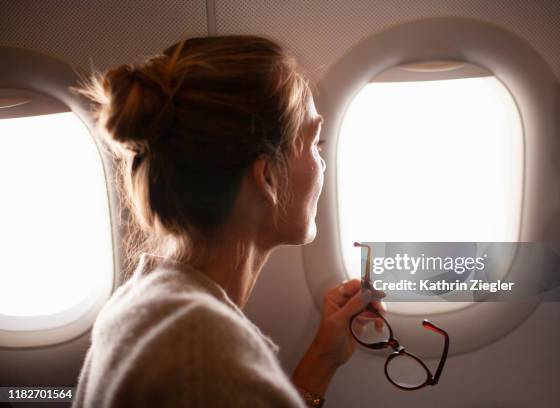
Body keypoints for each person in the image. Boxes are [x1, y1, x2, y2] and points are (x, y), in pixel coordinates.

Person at [72, 35, 384, 408]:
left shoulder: (147, 305)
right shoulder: (204, 354)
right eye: (314, 144)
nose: (323, 164)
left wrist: (324, 356)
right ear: (267, 177)